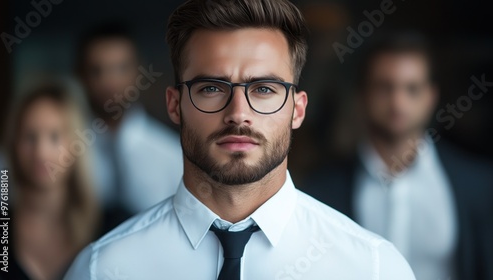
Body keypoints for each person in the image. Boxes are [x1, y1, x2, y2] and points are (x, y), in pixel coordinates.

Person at [64, 1, 415, 279]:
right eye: (212, 88)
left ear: (297, 109)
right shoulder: (101, 270)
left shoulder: (374, 268)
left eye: (263, 89)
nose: (238, 113)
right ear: (175, 105)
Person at [304, 33, 493, 280]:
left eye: (412, 89)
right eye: (384, 87)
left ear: (430, 97)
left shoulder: (478, 185)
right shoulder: (321, 191)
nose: (398, 101)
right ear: (362, 95)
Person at [0, 81, 100, 280]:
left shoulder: (109, 227)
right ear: (13, 144)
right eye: (29, 137)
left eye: (54, 136)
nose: (41, 153)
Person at [76, 23, 183, 214]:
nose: (109, 82)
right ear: (81, 76)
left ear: (138, 72)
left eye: (120, 68)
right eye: (96, 70)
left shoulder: (173, 155)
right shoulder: (62, 152)